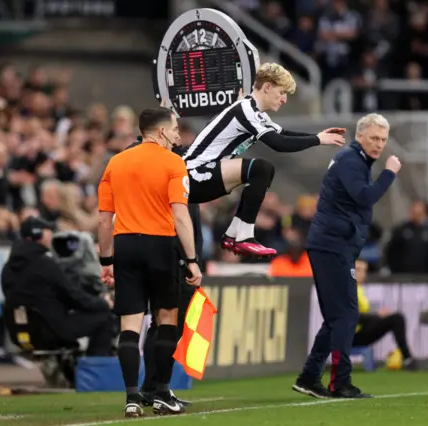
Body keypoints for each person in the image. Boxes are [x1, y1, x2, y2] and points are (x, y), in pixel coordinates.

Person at [97, 107, 202, 417]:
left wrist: (106, 259)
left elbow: (104, 219)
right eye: (173, 129)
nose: (177, 134)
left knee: (130, 324)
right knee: (166, 317)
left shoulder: (115, 162)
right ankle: (160, 394)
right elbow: (180, 215)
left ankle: (131, 397)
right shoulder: (174, 163)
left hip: (125, 245)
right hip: (160, 244)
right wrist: (192, 259)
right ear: (159, 132)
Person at [182, 62, 346, 258]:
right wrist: (317, 139)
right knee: (261, 168)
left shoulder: (255, 113)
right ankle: (240, 235)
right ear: (267, 87)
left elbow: (284, 133)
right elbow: (278, 143)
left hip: (202, 177)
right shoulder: (246, 109)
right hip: (192, 177)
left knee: (260, 170)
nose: (284, 99)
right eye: (282, 92)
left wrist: (318, 136)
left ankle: (235, 234)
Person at [292, 113, 401, 399]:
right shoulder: (352, 160)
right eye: (374, 138)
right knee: (347, 314)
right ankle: (340, 382)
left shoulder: (355, 160)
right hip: (332, 245)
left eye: (383, 140)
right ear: (360, 136)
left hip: (334, 244)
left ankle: (309, 377)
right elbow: (364, 197)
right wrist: (389, 173)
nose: (379, 145)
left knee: (336, 318)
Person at [1, 216, 113, 356]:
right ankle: (95, 371)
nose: (51, 234)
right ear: (38, 234)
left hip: (19, 332)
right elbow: (74, 296)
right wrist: (103, 303)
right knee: (103, 316)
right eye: (48, 230)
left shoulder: (7, 267)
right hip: (50, 331)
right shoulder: (45, 264)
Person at [352, 258, 427, 372]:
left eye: (364, 270)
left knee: (395, 319)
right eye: (358, 270)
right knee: (396, 319)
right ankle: (408, 359)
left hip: (359, 331)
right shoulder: (348, 290)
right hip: (350, 336)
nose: (362, 273)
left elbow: (361, 315)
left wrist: (377, 315)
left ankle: (407, 359)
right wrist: (377, 316)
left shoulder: (358, 288)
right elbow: (353, 317)